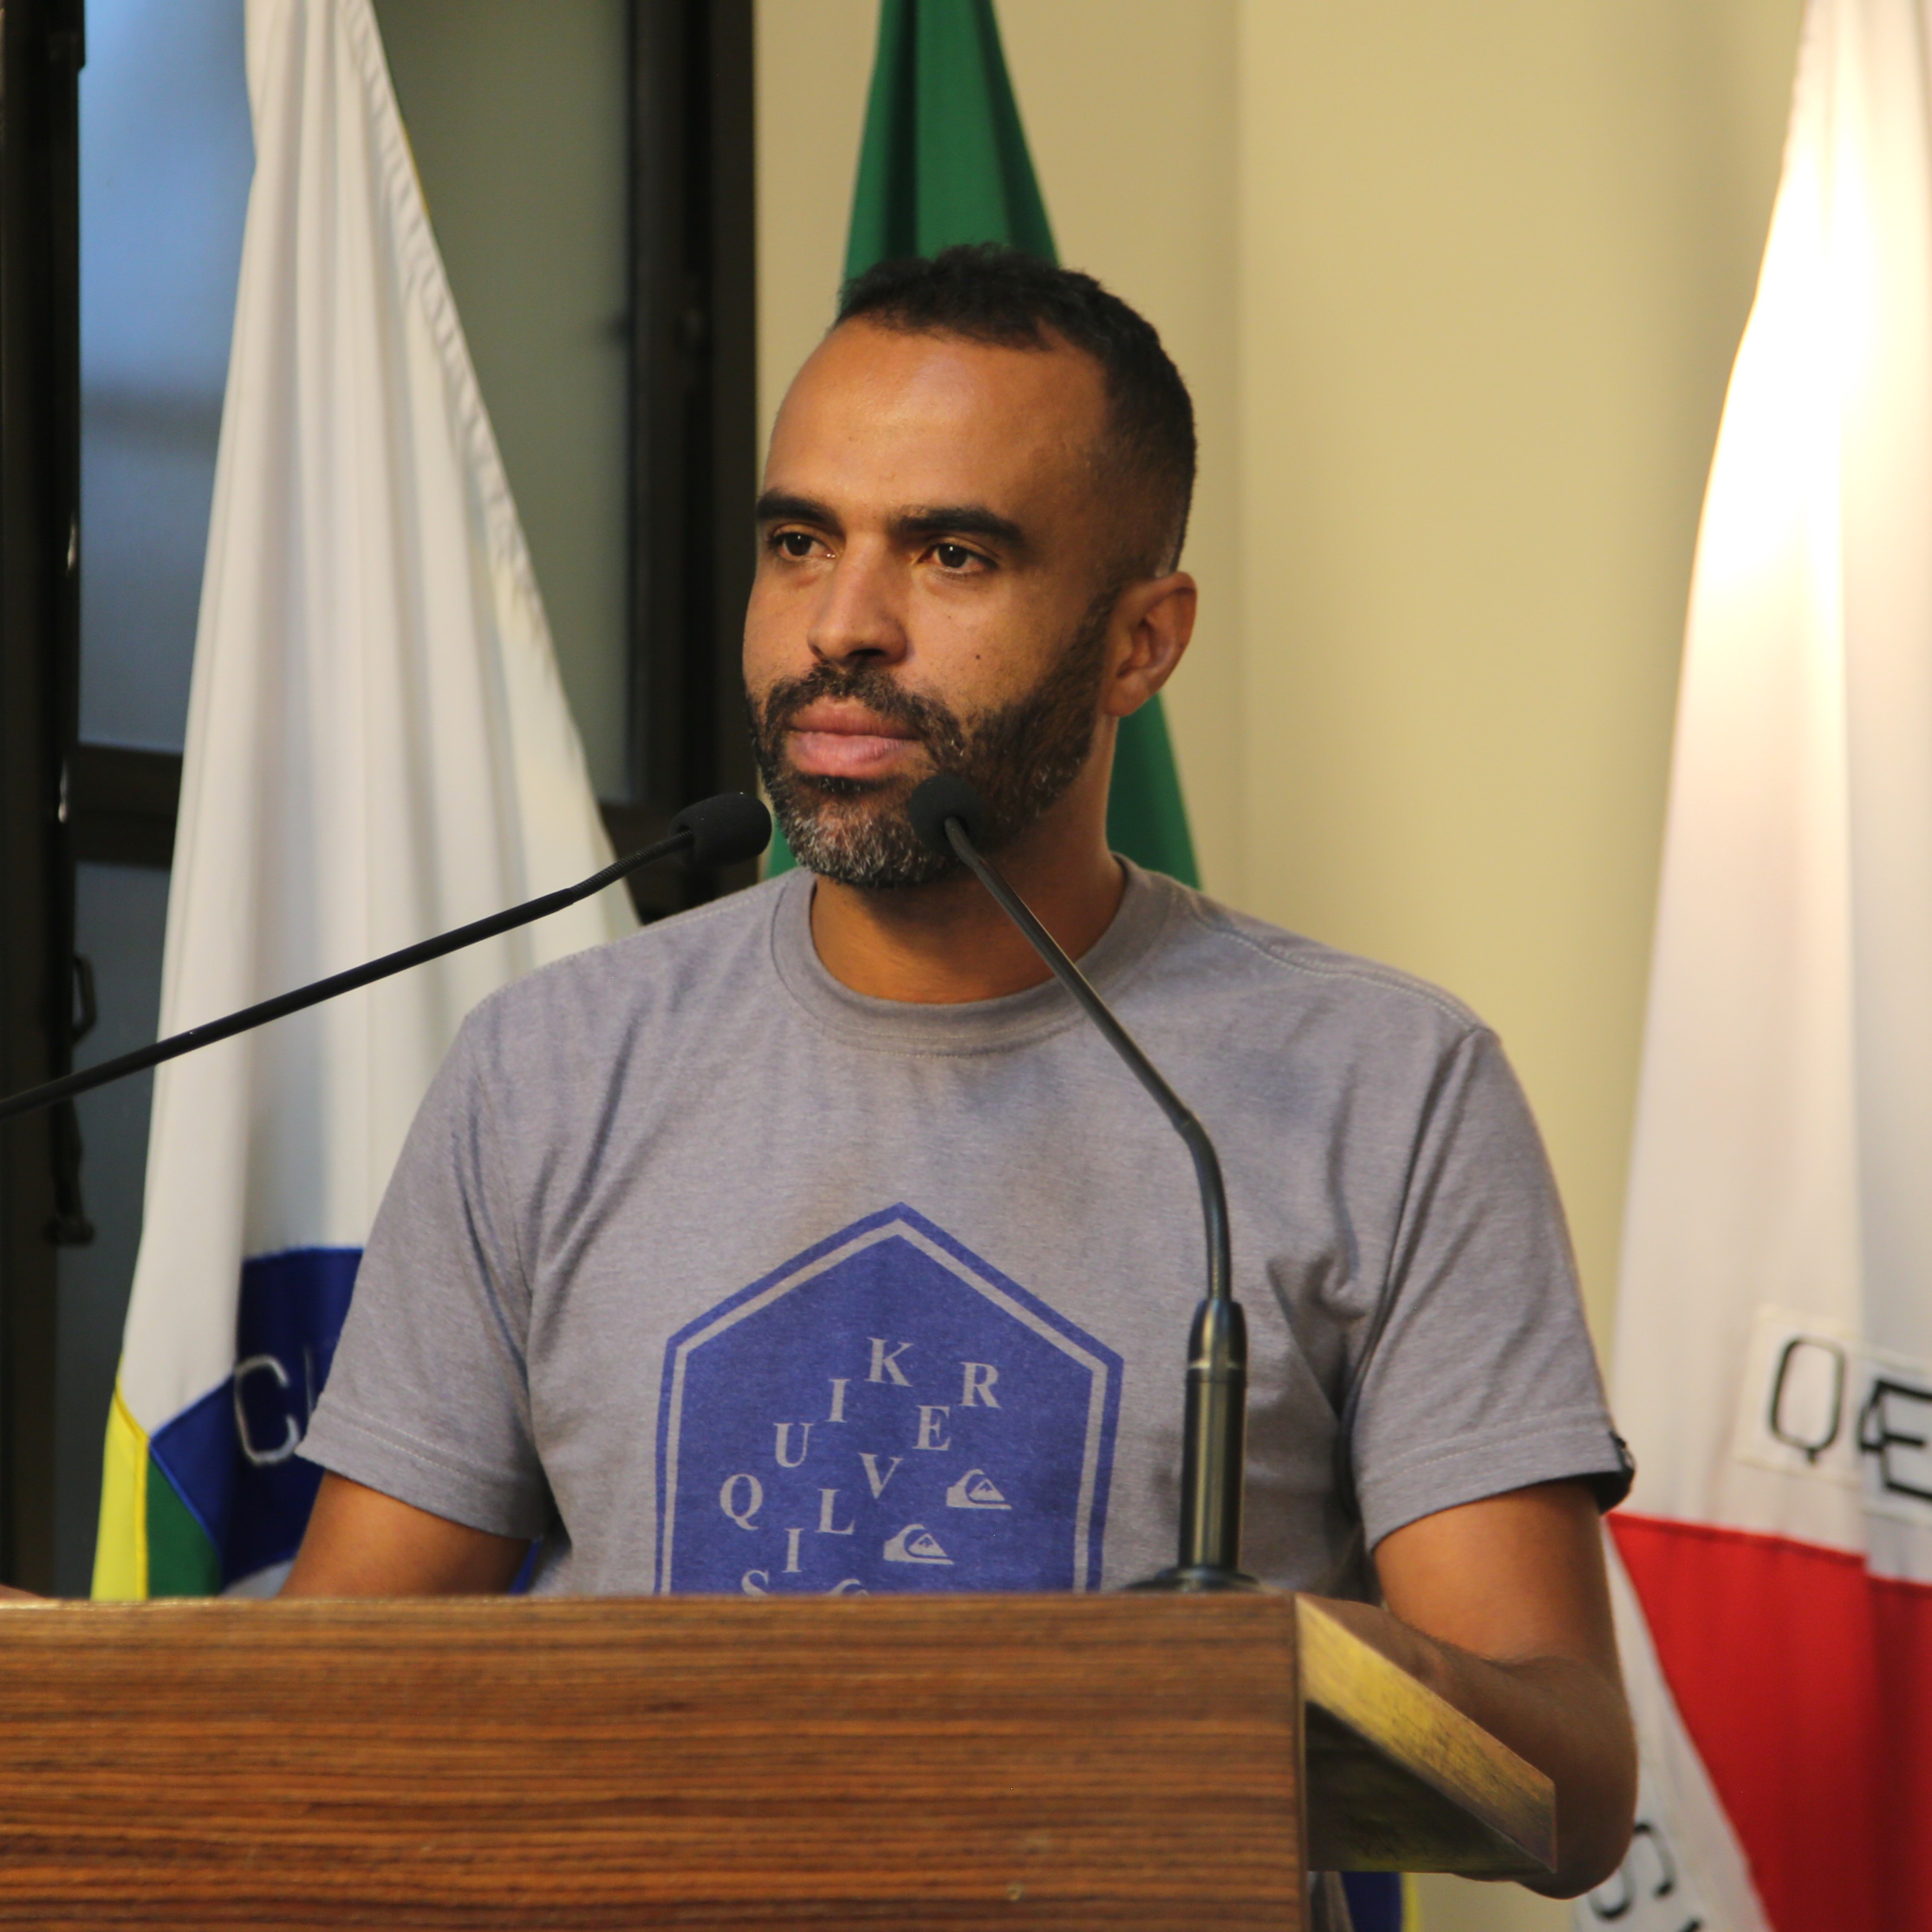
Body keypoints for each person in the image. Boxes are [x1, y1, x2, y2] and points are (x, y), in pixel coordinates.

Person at [287, 244, 1636, 1896]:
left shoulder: (1388, 1088)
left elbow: (1568, 1791)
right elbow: (326, 1702)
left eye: (952, 555)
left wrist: (1286, 1663)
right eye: (800, 543)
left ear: (1141, 643)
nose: (842, 627)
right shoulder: (549, 1069)